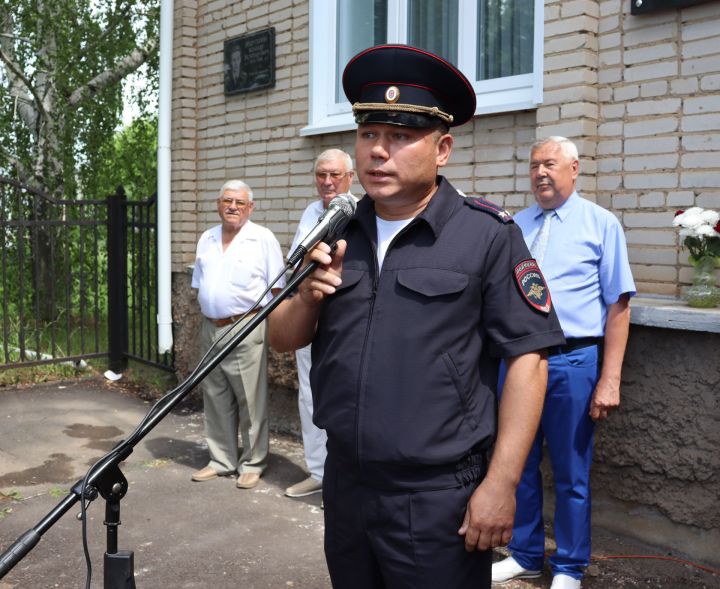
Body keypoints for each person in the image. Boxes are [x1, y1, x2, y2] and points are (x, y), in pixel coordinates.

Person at [268, 44, 566, 589]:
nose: (378, 153)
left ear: (443, 148)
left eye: (401, 137)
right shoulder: (338, 231)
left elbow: (529, 361)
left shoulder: (487, 236)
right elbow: (282, 337)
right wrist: (308, 295)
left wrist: (501, 484)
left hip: (438, 497)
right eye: (368, 135)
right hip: (348, 483)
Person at [491, 137, 635, 589]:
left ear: (574, 168)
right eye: (534, 165)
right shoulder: (515, 226)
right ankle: (525, 553)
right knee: (518, 462)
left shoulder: (601, 224)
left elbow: (618, 306)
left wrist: (609, 378)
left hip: (573, 361)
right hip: (518, 361)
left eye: (550, 164)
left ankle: (570, 566)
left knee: (572, 471)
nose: (540, 173)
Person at [191, 180, 286, 489]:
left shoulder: (262, 239)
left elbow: (277, 288)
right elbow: (199, 283)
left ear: (250, 207)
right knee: (215, 395)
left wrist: (267, 327)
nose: (232, 206)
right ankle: (221, 459)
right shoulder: (206, 238)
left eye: (239, 202)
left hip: (246, 326)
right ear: (218, 204)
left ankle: (253, 462)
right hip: (210, 327)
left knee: (250, 398)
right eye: (227, 200)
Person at [284, 148, 356, 499]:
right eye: (321, 175)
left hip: (344, 323)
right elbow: (296, 263)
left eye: (335, 175)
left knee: (343, 398)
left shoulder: (358, 211)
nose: (327, 182)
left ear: (350, 178)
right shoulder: (311, 212)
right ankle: (318, 472)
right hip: (309, 317)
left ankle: (343, 483)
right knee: (310, 397)